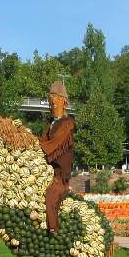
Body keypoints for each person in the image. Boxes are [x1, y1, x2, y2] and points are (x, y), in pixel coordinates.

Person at [39, 81, 75, 233]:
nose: (53, 101)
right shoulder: (50, 124)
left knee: (50, 196)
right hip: (47, 173)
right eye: (51, 98)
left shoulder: (67, 124)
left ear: (63, 101)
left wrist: (39, 147)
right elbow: (42, 140)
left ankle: (53, 230)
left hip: (60, 177)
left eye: (56, 98)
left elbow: (53, 144)